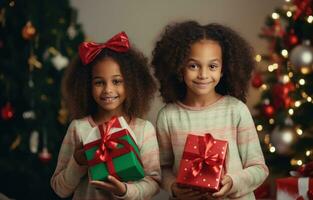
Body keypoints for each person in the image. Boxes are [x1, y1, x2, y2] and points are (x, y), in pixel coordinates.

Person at [151, 21, 269, 200]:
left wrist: (233, 182)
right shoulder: (168, 117)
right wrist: (173, 187)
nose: (203, 75)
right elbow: (162, 167)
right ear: (178, 68)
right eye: (193, 66)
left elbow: (259, 168)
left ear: (223, 70)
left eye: (212, 66)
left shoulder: (236, 110)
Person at [51, 32, 160, 200]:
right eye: (99, 82)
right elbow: (60, 189)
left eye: (117, 81)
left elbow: (153, 183)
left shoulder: (143, 129)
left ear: (132, 84)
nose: (108, 90)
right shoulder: (78, 128)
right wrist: (78, 161)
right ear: (86, 85)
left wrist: (124, 191)